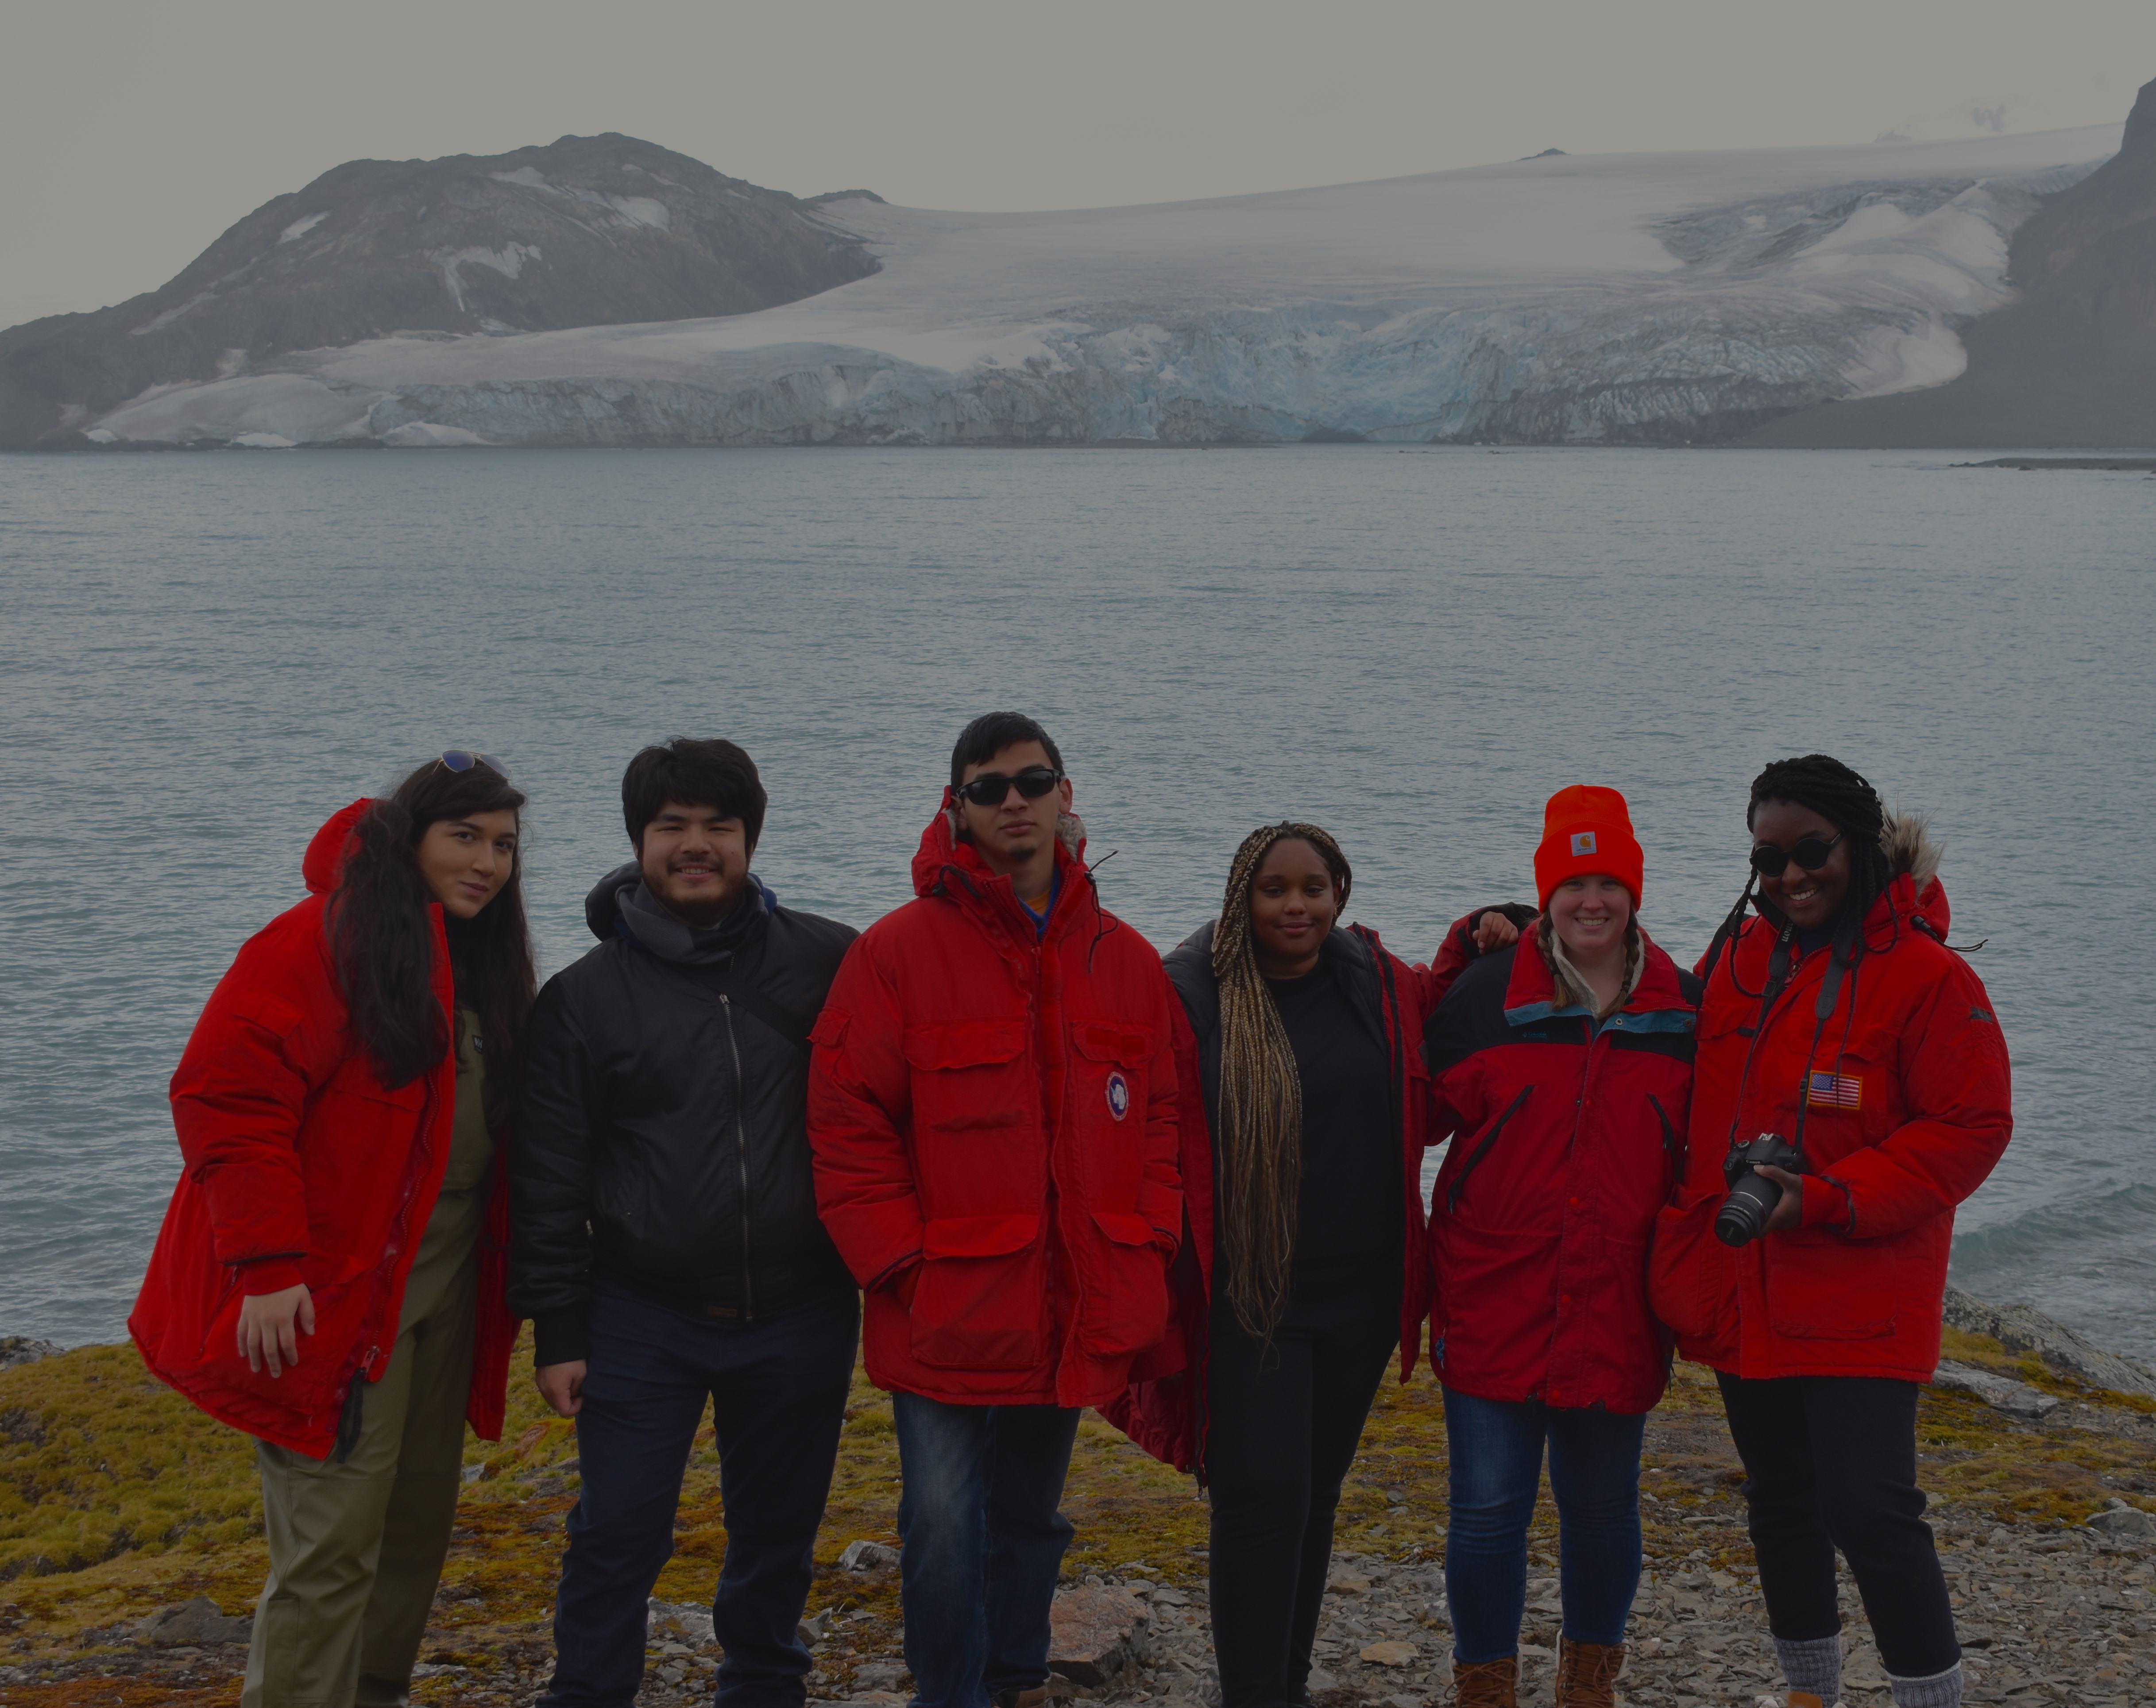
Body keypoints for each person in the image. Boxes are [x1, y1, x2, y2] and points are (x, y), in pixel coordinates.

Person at [131, 753, 534, 1708]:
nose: (487, 863)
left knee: (414, 1525)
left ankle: (371, 1693)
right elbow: (227, 1100)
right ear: (409, 837)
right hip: (332, 1302)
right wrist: (268, 1269)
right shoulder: (313, 941)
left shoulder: (479, 963)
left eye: (504, 845)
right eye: (464, 837)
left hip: (444, 1298)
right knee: (331, 1541)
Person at [808, 712, 1182, 1708]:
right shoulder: (894, 952)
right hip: (942, 1309)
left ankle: (1014, 1679)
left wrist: (1149, 1236)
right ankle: (948, 1692)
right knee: (939, 1522)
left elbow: (1161, 1119)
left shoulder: (1124, 958)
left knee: (1029, 1516)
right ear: (956, 807)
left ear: (1065, 794)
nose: (1013, 801)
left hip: (1068, 1298)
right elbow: (847, 1124)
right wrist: (902, 1266)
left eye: (1032, 781)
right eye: (988, 787)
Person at [1650, 756, 2012, 1708]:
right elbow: (1644, 1026)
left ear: (1858, 845)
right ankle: (1810, 1695)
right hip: (1744, 1282)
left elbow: (1969, 1128)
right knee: (1779, 1504)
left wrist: (1826, 1197)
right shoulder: (1737, 960)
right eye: (1766, 860)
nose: (1788, 876)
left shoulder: (1928, 976)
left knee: (1870, 1509)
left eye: (1809, 851)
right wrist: (1513, 931)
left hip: (1859, 1287)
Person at [511, 738, 861, 1708]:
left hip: (803, 1307)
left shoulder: (833, 960)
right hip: (641, 1312)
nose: (696, 844)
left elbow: (894, 1109)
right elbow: (548, 1177)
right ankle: (588, 1693)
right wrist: (558, 1328)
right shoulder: (582, 1000)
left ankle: (763, 1686)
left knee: (778, 1530)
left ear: (750, 839)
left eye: (719, 825)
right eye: (672, 826)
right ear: (640, 841)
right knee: (617, 1529)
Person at [1105, 821, 1432, 1708]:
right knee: (1259, 1497)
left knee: (1315, 1495)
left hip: (1360, 1294)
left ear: (1339, 893)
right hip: (1252, 1297)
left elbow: (1444, 1033)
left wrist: (1501, 919)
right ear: (1240, 897)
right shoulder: (1191, 990)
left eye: (1313, 889)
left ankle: (1282, 1685)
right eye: (1273, 889)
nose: (1295, 906)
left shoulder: (1374, 981)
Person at [1420, 786, 1699, 1708]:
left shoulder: (1680, 1010)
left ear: (1634, 893)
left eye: (1609, 882)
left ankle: (1587, 1687)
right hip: (1491, 1289)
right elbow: (1409, 1113)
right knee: (1486, 1511)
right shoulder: (1484, 995)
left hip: (1616, 1300)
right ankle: (1484, 1691)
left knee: (1604, 1509)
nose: (1591, 901)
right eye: (1572, 883)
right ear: (1544, 893)